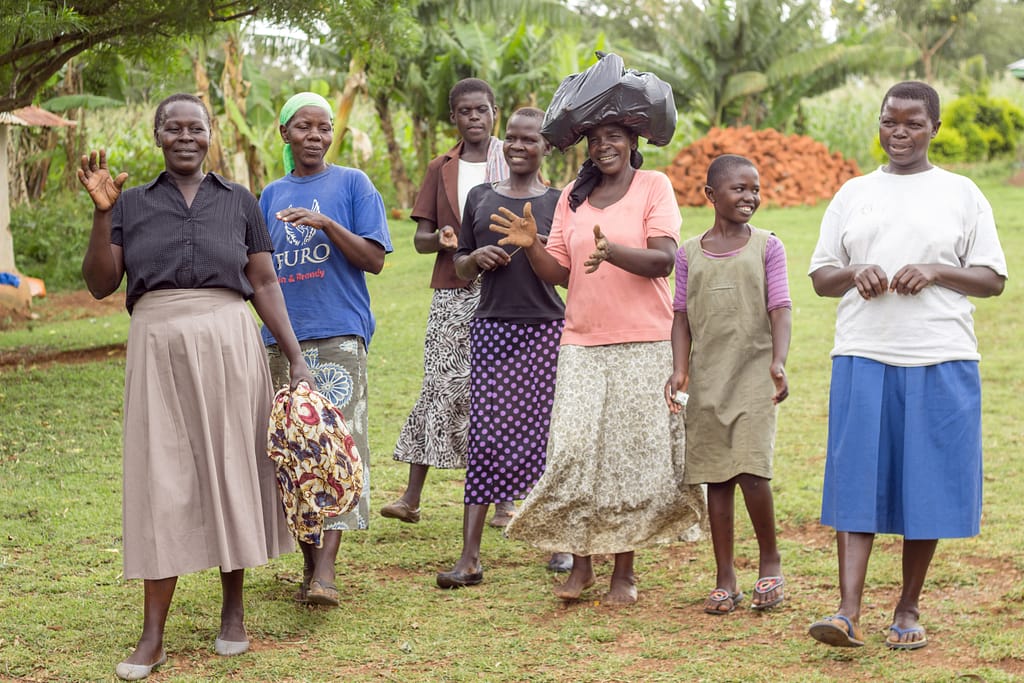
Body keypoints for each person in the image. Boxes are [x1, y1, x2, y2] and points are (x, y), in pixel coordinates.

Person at [78, 93, 313, 680]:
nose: (186, 135)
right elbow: (102, 285)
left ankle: (234, 611)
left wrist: (295, 356)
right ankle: (152, 635)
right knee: (164, 477)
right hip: (157, 344)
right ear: (157, 135)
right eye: (173, 127)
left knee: (231, 466)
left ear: (210, 134)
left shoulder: (238, 201)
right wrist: (102, 214)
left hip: (229, 340)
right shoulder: (131, 203)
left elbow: (263, 282)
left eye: (196, 127)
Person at [806, 81, 1006, 650]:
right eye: (890, 121)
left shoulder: (962, 194)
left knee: (928, 486)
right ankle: (846, 612)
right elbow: (823, 275)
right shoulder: (853, 192)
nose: (899, 133)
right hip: (863, 352)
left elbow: (991, 278)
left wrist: (938, 271)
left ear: (934, 129)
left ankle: (908, 607)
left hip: (939, 355)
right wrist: (855, 271)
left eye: (913, 123)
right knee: (856, 480)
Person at [496, 120, 705, 606]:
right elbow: (561, 273)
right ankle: (581, 565)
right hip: (581, 342)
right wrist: (531, 246)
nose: (604, 146)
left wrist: (614, 253)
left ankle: (624, 573)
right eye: (595, 139)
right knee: (573, 452)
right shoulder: (572, 195)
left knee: (627, 459)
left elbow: (663, 261)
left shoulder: (654, 186)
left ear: (633, 141)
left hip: (644, 341)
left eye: (614, 136)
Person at [260, 92, 392, 606]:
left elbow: (375, 260)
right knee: (294, 451)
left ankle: (328, 571)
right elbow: (257, 269)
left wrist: (329, 226)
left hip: (339, 334)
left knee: (337, 447)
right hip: (281, 339)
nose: (314, 136)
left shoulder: (353, 184)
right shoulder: (268, 195)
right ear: (285, 133)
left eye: (323, 128)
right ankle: (310, 565)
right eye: (303, 127)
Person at [436, 107, 567, 588]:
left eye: (529, 139)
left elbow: (569, 272)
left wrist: (535, 245)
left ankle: (559, 541)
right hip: (492, 327)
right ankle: (469, 559)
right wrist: (476, 257)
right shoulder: (480, 196)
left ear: (546, 147)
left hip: (547, 328)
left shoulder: (562, 201)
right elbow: (461, 266)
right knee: (487, 437)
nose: (517, 146)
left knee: (547, 437)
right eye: (510, 138)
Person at [382, 78, 515, 528]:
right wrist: (439, 239)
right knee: (440, 384)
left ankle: (505, 501)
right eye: (464, 111)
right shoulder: (442, 168)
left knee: (499, 390)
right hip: (453, 289)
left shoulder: (515, 159)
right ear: (453, 118)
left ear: (495, 112)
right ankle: (411, 497)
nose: (474, 117)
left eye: (481, 109)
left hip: (505, 287)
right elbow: (419, 239)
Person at [664, 154, 791, 615]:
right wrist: (681, 369)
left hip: (755, 375)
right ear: (711, 196)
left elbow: (780, 308)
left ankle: (770, 562)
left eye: (755, 189)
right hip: (709, 380)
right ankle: (725, 576)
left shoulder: (767, 246)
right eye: (739, 189)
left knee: (752, 471)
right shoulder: (688, 253)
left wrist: (778, 361)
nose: (750, 197)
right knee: (716, 479)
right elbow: (680, 316)